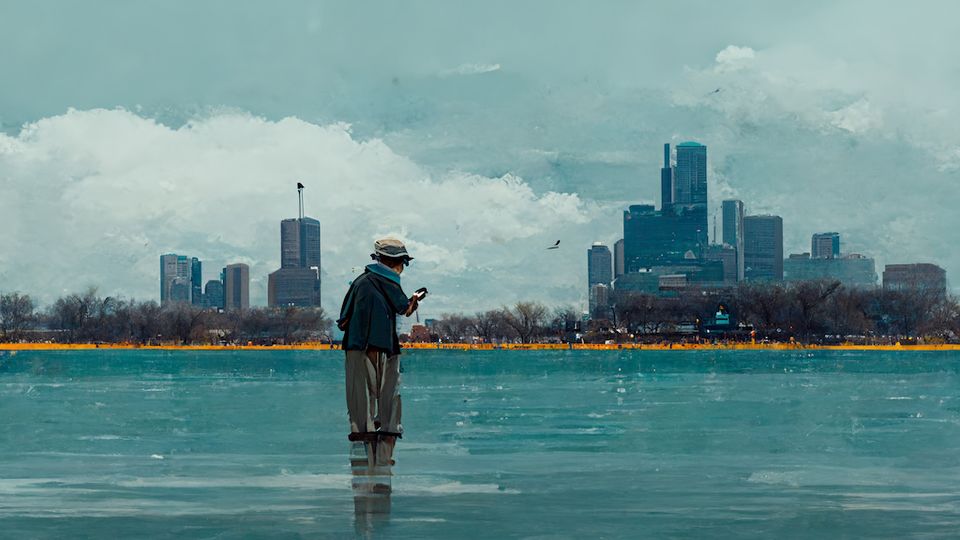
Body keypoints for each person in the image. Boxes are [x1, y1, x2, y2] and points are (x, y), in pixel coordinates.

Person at [337, 238, 422, 467]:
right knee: (388, 396)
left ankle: (361, 453)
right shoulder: (390, 281)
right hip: (384, 347)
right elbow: (404, 308)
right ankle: (384, 453)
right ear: (398, 262)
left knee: (359, 400)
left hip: (355, 347)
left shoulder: (359, 281)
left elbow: (342, 320)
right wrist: (415, 300)